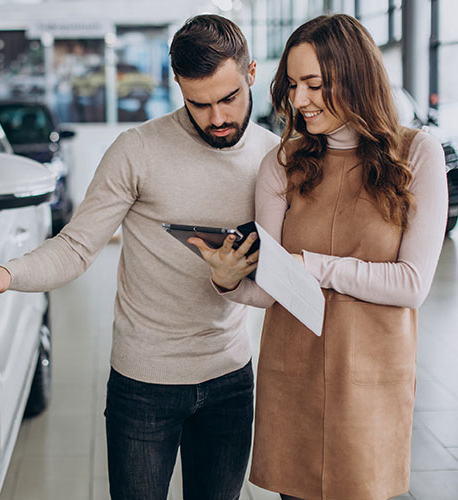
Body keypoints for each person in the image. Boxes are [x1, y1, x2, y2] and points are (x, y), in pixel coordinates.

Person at [0, 14, 279, 500]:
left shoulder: (274, 157)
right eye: (198, 104)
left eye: (228, 99)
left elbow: (285, 271)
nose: (217, 118)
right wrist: (10, 272)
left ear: (251, 74)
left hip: (230, 379)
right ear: (177, 84)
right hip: (144, 385)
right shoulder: (136, 151)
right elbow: (76, 246)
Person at [188, 14, 448, 500]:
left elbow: (412, 284)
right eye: (292, 84)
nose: (299, 101)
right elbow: (269, 288)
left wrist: (314, 265)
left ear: (356, 77)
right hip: (294, 374)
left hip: (372, 379)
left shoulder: (417, 155)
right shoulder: (282, 163)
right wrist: (227, 281)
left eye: (315, 84)